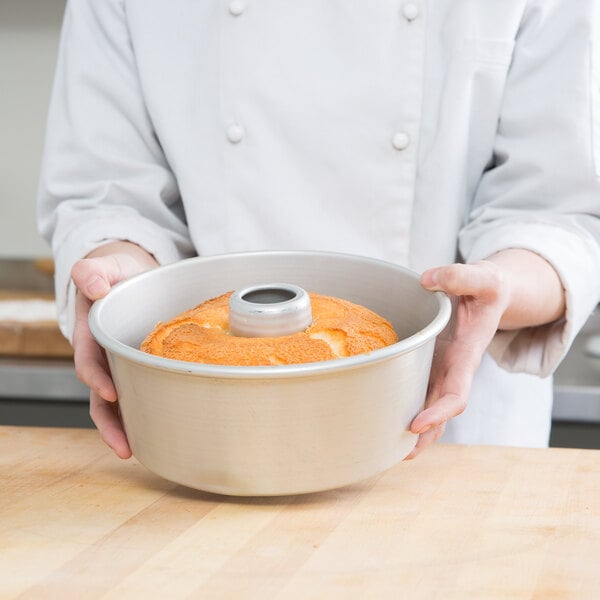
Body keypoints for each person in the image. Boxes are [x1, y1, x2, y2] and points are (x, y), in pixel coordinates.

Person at [38, 0, 600, 460]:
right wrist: (116, 274)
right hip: (208, 430)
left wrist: (501, 287)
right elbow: (108, 194)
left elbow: (560, 210)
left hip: (453, 429)